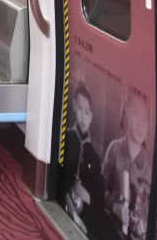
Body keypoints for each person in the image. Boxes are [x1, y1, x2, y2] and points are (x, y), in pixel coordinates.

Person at [102, 93, 152, 240]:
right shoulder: (114, 149)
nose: (140, 124)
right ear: (126, 115)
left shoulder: (150, 168)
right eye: (135, 114)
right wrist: (114, 206)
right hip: (109, 231)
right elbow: (101, 186)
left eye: (145, 119)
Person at [60, 82, 104, 235]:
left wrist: (87, 197)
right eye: (79, 108)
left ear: (91, 116)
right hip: (62, 207)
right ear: (73, 106)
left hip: (85, 222)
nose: (83, 116)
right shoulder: (65, 137)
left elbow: (99, 203)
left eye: (87, 112)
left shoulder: (95, 158)